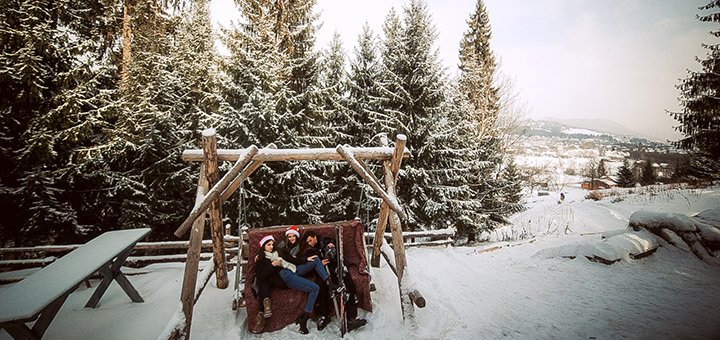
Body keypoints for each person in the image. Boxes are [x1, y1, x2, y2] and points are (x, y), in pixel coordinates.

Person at [253, 234, 335, 334]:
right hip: (286, 276)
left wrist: (305, 260)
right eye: (268, 245)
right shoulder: (261, 260)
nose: (271, 247)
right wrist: (272, 265)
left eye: (271, 244)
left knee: (316, 259)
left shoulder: (278, 251)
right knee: (315, 288)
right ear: (263, 247)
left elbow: (291, 259)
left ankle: (329, 284)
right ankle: (304, 319)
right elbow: (261, 277)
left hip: (293, 268)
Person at [303, 230, 367, 332]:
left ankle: (352, 318)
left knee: (349, 284)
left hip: (336, 267)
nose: (310, 243)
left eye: (310, 240)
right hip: (323, 273)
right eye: (308, 242)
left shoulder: (325, 241)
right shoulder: (310, 251)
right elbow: (308, 263)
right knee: (319, 287)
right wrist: (318, 263)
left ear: (314, 236)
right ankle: (324, 315)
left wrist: (330, 249)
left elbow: (335, 247)